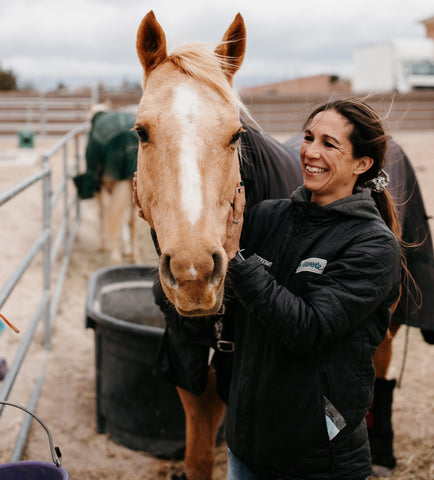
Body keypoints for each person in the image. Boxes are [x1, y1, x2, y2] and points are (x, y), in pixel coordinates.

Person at [223, 98, 403, 480]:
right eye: (308, 137)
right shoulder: (268, 217)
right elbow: (217, 290)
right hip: (246, 446)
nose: (310, 152)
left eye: (329, 143)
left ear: (362, 163)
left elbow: (309, 327)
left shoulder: (372, 245)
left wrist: (238, 262)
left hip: (315, 459)